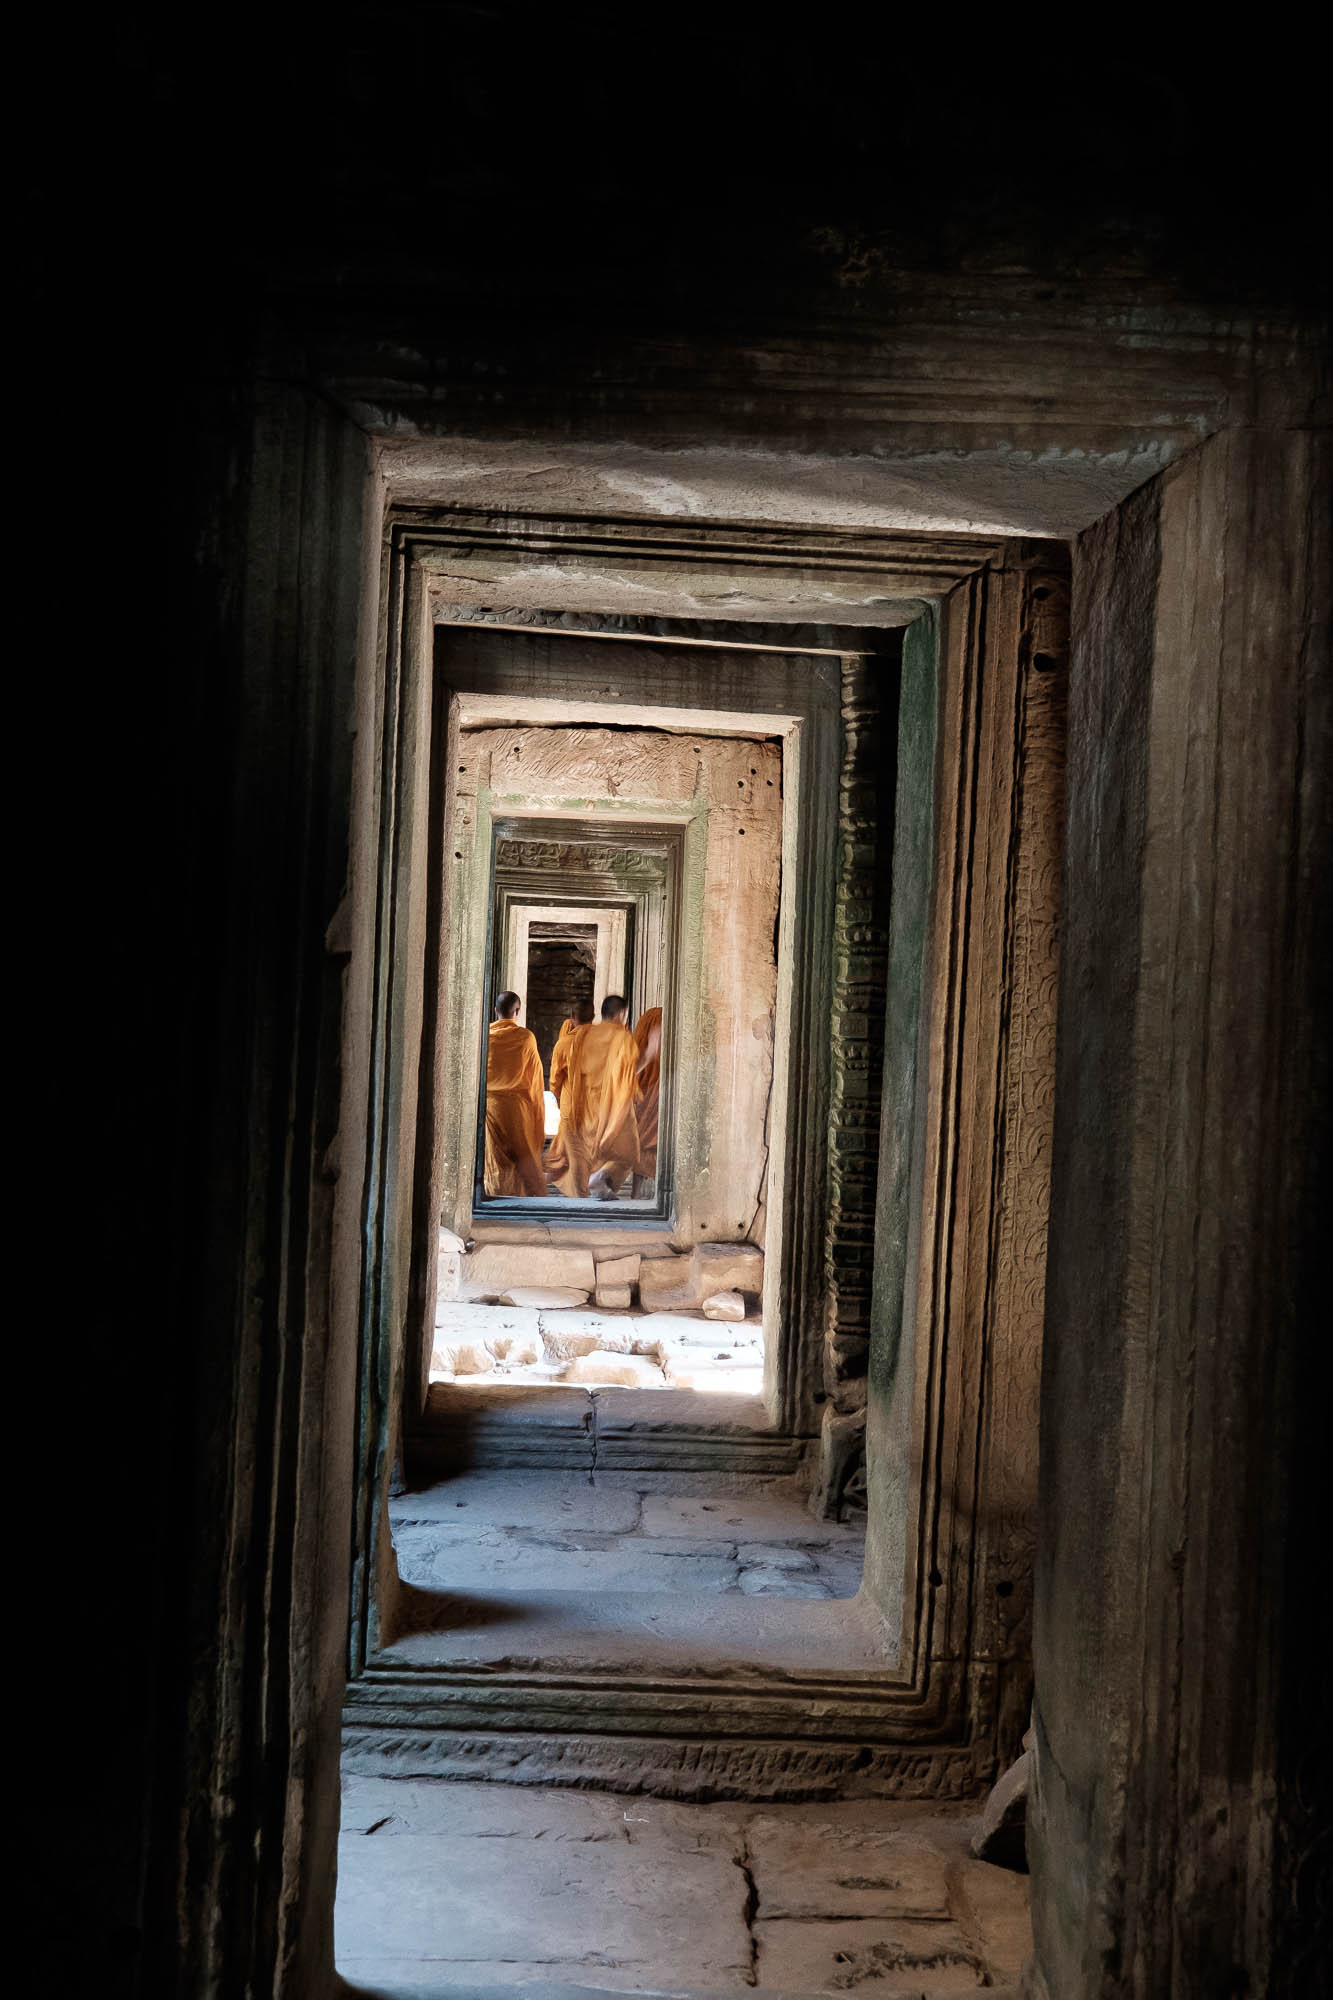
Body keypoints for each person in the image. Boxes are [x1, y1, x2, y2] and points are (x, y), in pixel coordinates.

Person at [557, 994, 644, 1200]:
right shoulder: (622, 1037)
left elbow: (574, 1072)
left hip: (587, 1103)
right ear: (621, 1014)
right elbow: (627, 1072)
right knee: (630, 1151)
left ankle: (600, 1186)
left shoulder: (585, 1034)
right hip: (613, 1104)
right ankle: (602, 1178)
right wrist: (648, 1056)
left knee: (596, 1150)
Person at [482, 991, 546, 1197]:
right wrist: (536, 1109)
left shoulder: (485, 1036)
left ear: (495, 1011)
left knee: (494, 1157)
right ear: (517, 1011)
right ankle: (523, 1195)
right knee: (522, 1157)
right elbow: (534, 1078)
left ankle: (495, 1191)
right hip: (517, 1109)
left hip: (489, 1107)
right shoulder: (526, 1038)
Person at [543, 998, 594, 1188]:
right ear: (593, 1017)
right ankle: (584, 1185)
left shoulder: (563, 1044)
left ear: (573, 1018)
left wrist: (556, 1095)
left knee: (571, 1145)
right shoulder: (603, 1041)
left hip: (570, 1102)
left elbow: (555, 1078)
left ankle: (580, 1188)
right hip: (596, 1103)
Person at [631, 1004, 662, 1186]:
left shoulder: (639, 1051)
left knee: (642, 1144)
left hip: (647, 1098)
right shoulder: (644, 1053)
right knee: (645, 1145)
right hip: (651, 1096)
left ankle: (637, 1191)